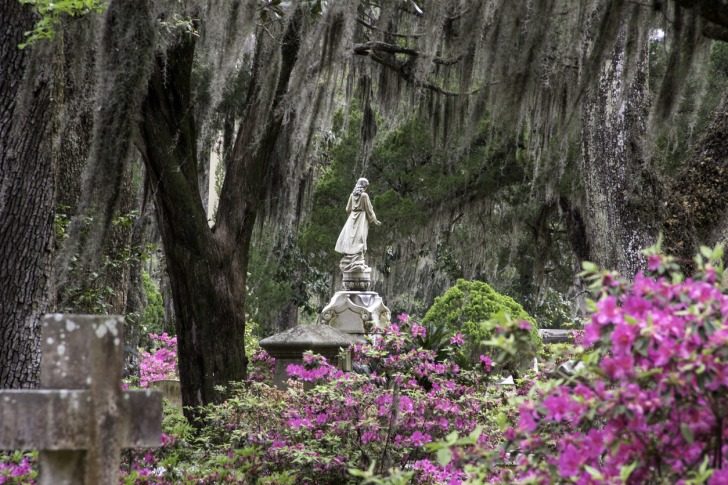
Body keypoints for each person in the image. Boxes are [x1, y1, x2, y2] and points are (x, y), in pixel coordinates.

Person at [335, 178, 381, 271]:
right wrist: (375, 220)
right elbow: (369, 209)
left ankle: (353, 259)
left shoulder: (352, 195)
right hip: (361, 218)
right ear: (364, 186)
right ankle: (357, 259)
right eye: (366, 186)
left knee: (352, 238)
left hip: (352, 217)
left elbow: (347, 208)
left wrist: (353, 212)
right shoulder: (364, 195)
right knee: (360, 238)